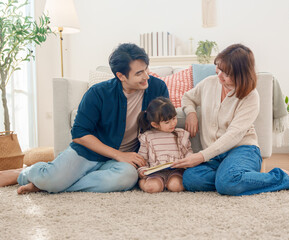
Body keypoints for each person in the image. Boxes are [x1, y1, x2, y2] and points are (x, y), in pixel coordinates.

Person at [0, 43, 169, 194]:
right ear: (121, 76)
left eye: (146, 69)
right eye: (139, 73)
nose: (147, 76)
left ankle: (47, 185)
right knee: (50, 180)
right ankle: (27, 173)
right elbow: (79, 133)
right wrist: (118, 155)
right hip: (88, 154)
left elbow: (163, 123)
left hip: (123, 162)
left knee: (127, 178)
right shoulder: (98, 93)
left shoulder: (157, 87)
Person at [171, 43, 289, 196]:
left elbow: (233, 135)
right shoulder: (209, 83)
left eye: (226, 73)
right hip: (215, 155)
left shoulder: (250, 97)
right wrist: (191, 113)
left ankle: (281, 177)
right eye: (219, 69)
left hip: (242, 150)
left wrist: (200, 156)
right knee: (191, 179)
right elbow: (187, 97)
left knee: (227, 184)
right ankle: (231, 176)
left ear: (241, 75)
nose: (219, 76)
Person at [136, 97, 192, 193]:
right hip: (155, 173)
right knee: (152, 188)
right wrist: (142, 171)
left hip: (176, 171)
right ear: (155, 124)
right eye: (167, 122)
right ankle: (141, 183)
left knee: (176, 187)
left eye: (174, 118)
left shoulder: (181, 134)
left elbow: (188, 152)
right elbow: (142, 158)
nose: (173, 123)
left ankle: (168, 184)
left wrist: (188, 161)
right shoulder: (147, 137)